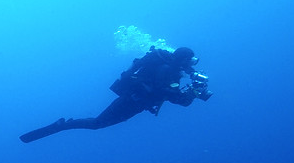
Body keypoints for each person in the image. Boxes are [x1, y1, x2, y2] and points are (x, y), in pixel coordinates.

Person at [19, 46, 213, 143]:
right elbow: (174, 97)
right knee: (96, 124)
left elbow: (171, 94)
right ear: (184, 59)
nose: (191, 65)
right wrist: (194, 92)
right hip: (131, 103)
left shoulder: (170, 69)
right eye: (190, 60)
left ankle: (64, 125)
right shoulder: (168, 71)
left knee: (97, 123)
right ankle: (63, 126)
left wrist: (191, 92)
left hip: (133, 103)